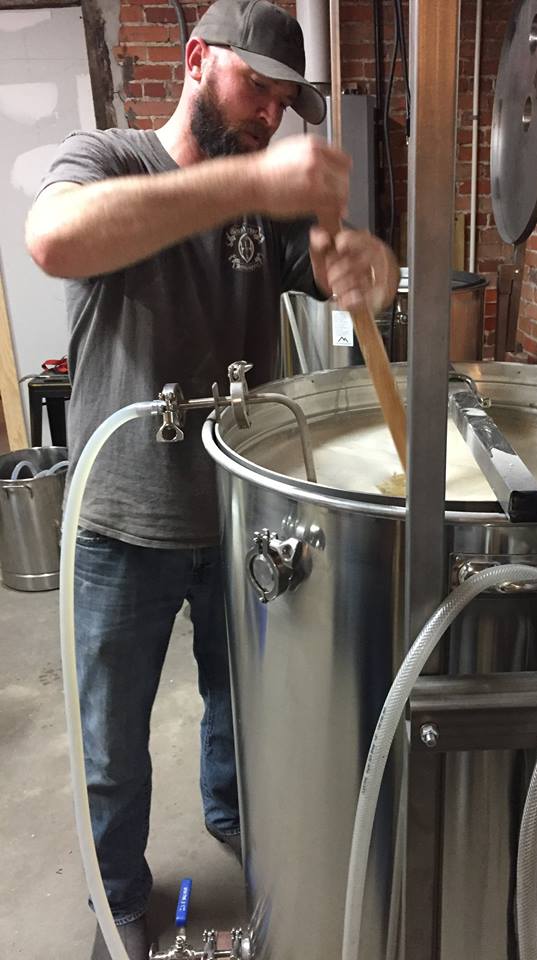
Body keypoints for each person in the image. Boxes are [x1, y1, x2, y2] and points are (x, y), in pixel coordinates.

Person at [25, 1, 399, 958]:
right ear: (196, 60)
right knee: (112, 744)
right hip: (121, 519)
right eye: (256, 87)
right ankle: (117, 902)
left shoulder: (258, 203)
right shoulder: (108, 159)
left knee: (246, 710)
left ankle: (243, 837)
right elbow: (55, 240)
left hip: (241, 511)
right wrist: (249, 180)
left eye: (284, 102)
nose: (270, 113)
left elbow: (352, 276)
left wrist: (370, 268)